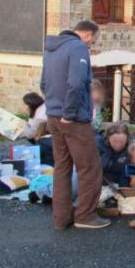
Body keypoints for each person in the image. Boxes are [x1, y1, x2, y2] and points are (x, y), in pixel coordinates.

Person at [41, 20, 110, 230]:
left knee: (62, 167)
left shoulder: (51, 49)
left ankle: (61, 218)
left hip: (53, 116)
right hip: (73, 119)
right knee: (89, 167)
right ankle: (86, 216)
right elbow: (77, 82)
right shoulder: (78, 47)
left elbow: (43, 84)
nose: (91, 45)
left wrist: (56, 109)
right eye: (93, 40)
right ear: (87, 35)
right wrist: (69, 114)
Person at [98, 122, 131, 187]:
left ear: (127, 139)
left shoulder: (131, 149)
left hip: (120, 183)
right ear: (108, 138)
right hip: (99, 180)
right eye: (114, 141)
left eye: (122, 142)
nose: (118, 145)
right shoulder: (99, 145)